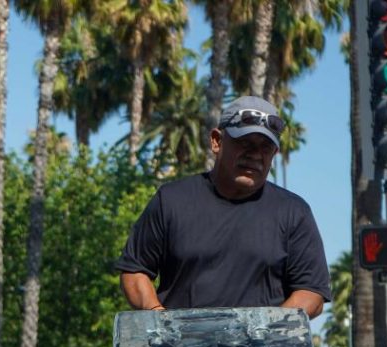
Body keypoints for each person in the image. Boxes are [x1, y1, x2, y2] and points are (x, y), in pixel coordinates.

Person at [116, 96, 330, 318]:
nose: (255, 155)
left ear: (274, 154)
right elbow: (135, 271)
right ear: (217, 141)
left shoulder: (294, 212)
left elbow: (311, 292)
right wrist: (160, 319)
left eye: (265, 147)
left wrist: (266, 330)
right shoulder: (171, 200)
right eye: (245, 143)